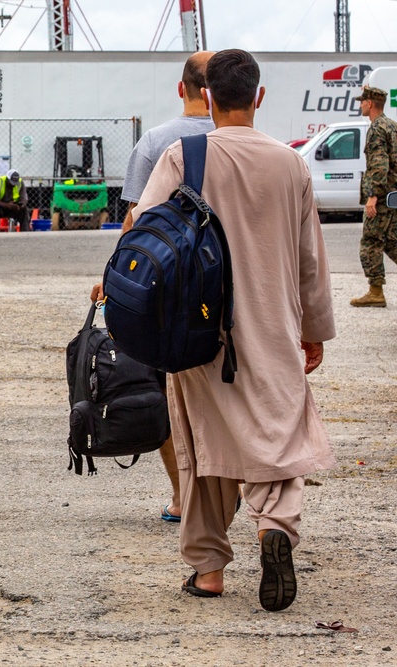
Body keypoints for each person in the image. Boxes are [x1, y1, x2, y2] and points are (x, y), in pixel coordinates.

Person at [129, 50, 336, 611]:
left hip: (198, 330)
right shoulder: (290, 164)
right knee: (279, 433)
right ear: (259, 97)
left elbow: (144, 236)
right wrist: (313, 328)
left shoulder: (183, 155)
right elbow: (309, 257)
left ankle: (209, 568)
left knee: (203, 440)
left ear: (209, 98)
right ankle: (275, 526)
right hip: (273, 324)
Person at [108, 51, 215, 523]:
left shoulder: (154, 141)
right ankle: (231, 496)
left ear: (182, 89)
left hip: (167, 292)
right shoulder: (243, 141)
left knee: (169, 393)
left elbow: (133, 223)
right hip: (227, 287)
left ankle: (183, 496)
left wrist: (109, 281)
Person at [350, 84, 397, 308]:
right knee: (394, 243)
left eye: (362, 102)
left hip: (383, 198)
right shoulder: (394, 127)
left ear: (370, 103)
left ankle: (376, 292)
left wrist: (372, 195)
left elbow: (379, 164)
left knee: (371, 243)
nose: (361, 105)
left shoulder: (376, 129)